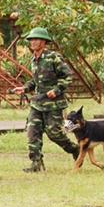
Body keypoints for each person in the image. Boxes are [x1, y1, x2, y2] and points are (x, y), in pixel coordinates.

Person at [11, 27, 80, 172]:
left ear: (44, 41)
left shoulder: (53, 57)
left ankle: (75, 149)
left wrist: (57, 90)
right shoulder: (34, 59)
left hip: (53, 105)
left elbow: (68, 76)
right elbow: (36, 81)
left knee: (54, 134)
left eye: (36, 39)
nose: (33, 42)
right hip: (37, 104)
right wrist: (24, 88)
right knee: (32, 132)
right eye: (31, 40)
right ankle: (36, 164)